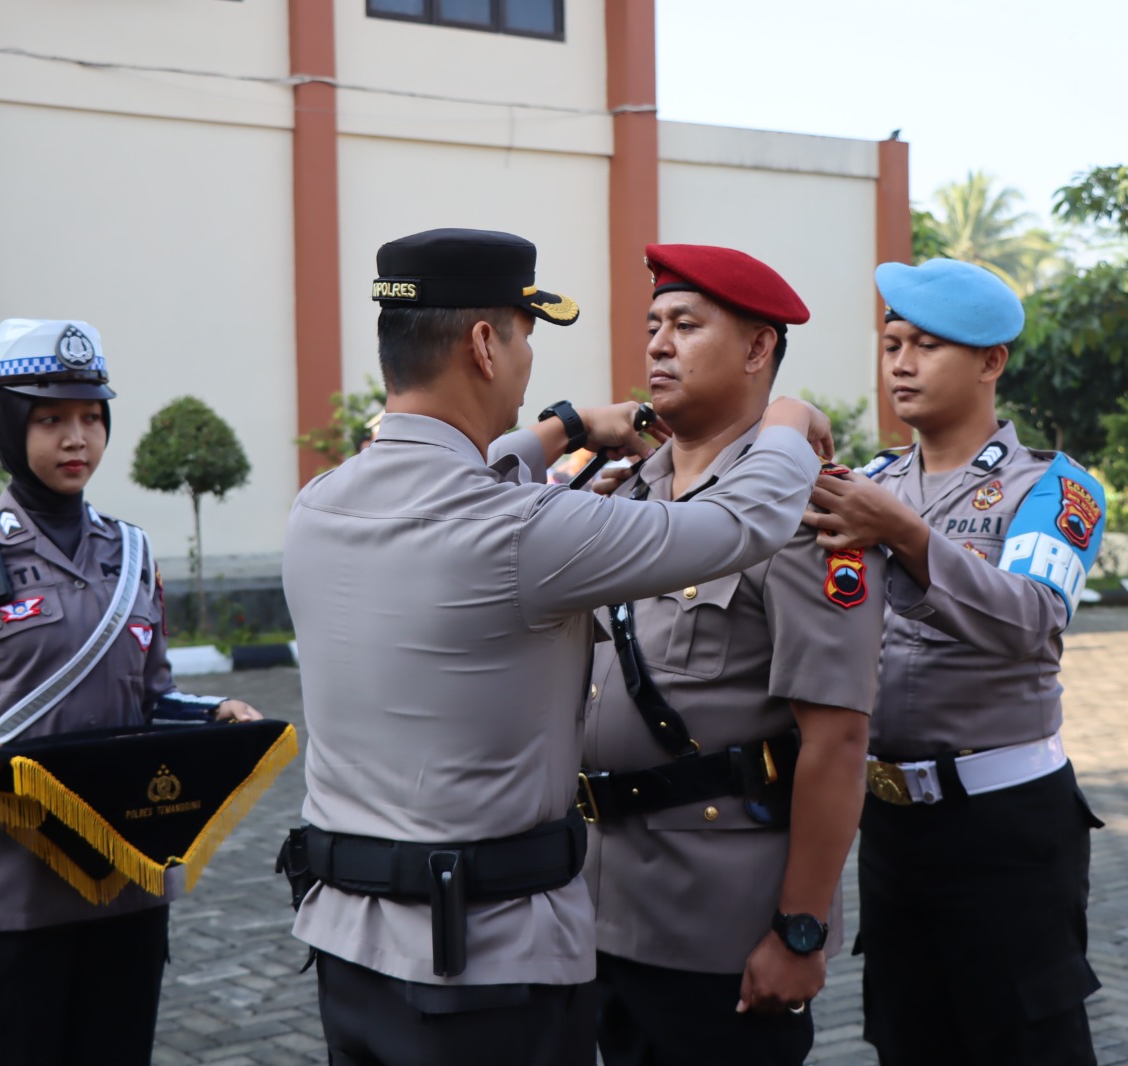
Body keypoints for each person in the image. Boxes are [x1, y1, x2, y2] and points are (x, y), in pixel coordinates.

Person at [280, 227, 834, 1066]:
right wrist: (790, 421)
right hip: (485, 972)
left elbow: (454, 475)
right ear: (483, 345)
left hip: (347, 955)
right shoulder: (521, 531)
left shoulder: (319, 504)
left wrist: (565, 427)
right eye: (526, 334)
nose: (531, 357)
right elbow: (738, 522)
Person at [0, 319, 262, 1066]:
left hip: (124, 884)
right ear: (10, 424)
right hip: (7, 894)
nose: (75, 438)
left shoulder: (133, 555)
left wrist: (214, 715)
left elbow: (153, 696)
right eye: (50, 419)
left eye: (91, 417)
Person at [578, 244, 882, 1065]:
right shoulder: (619, 497)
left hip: (721, 930)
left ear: (757, 350)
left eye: (685, 325)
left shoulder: (807, 514)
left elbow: (838, 740)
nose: (657, 345)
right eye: (652, 326)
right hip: (594, 912)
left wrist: (801, 929)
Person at [801, 258, 1107, 1065]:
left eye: (927, 345)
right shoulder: (867, 482)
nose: (900, 363)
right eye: (892, 342)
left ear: (990, 362)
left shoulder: (1052, 487)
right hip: (892, 825)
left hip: (1007, 826)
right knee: (909, 1040)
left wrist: (902, 533)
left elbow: (1032, 618)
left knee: (1025, 1040)